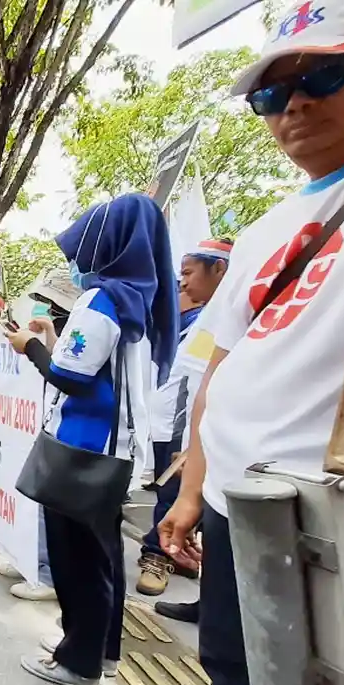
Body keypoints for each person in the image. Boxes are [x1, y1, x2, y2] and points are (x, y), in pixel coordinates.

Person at [116, 2, 344, 685]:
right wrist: (193, 484)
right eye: (272, 95)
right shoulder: (270, 230)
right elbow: (224, 367)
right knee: (234, 664)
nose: (297, 105)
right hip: (247, 506)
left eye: (325, 75)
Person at [5, 193, 178, 685]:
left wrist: (31, 346)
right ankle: (100, 653)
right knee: (103, 559)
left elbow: (71, 378)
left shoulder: (101, 300)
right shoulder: (137, 301)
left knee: (76, 559)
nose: (76, 265)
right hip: (113, 451)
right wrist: (55, 337)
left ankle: (77, 663)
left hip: (81, 448)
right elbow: (102, 371)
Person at [137, 239, 231, 601]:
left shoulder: (223, 317)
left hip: (192, 431)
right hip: (174, 424)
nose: (184, 283)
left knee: (178, 494)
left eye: (189, 273)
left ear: (218, 270)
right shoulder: (203, 318)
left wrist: (191, 444)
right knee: (176, 495)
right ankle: (177, 553)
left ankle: (159, 556)